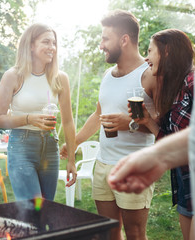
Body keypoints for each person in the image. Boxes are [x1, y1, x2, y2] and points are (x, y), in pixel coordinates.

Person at [61, 10, 157, 239]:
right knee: (108, 232)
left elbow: (162, 124)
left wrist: (131, 124)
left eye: (105, 38)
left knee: (134, 233)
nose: (101, 45)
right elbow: (98, 115)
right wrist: (75, 142)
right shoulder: (107, 74)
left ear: (124, 40)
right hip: (103, 164)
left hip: (135, 166)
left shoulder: (149, 74)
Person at [0, 23, 77, 201]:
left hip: (50, 147)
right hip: (21, 146)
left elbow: (68, 122)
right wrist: (29, 119)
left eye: (54, 43)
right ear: (31, 45)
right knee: (31, 211)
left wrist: (71, 159)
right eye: (46, 42)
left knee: (47, 209)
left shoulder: (60, 77)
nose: (52, 47)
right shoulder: (13, 76)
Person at [130, 29, 195, 240]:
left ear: (166, 52)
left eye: (150, 51)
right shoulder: (174, 89)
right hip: (186, 184)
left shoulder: (193, 83)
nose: (146, 58)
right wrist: (147, 121)